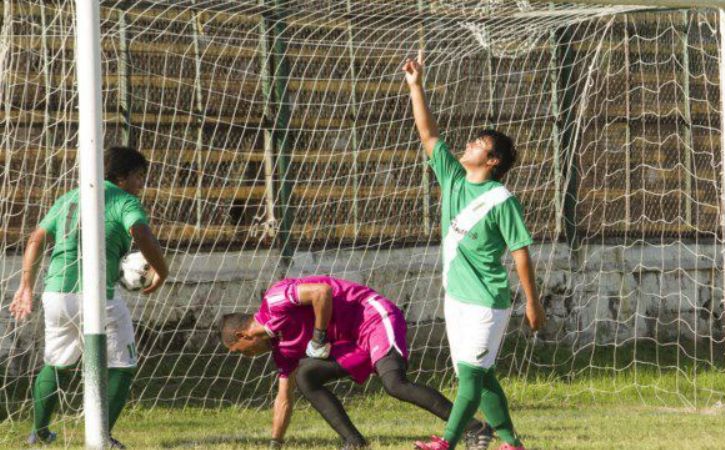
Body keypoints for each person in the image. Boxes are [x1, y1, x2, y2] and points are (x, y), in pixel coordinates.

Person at [403, 51, 546, 450]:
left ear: (492, 160)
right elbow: (428, 135)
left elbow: (521, 254)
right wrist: (416, 86)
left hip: (487, 301)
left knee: (470, 377)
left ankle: (447, 443)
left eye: (478, 144)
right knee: (481, 376)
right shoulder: (452, 178)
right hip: (456, 298)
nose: (468, 144)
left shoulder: (502, 201)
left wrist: (532, 303)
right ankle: (511, 443)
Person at [10, 146, 169, 448]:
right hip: (96, 296)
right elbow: (141, 232)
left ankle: (38, 433)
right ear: (122, 176)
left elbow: (36, 238)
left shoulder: (70, 197)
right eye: (139, 176)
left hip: (56, 294)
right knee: (122, 365)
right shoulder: (123, 200)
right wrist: (162, 270)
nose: (141, 183)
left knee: (56, 363)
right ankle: (102, 437)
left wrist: (26, 286)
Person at [219, 275, 493, 450]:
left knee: (394, 384)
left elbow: (322, 292)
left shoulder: (275, 300)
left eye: (241, 351)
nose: (246, 356)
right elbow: (283, 398)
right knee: (305, 377)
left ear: (243, 336)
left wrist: (318, 337)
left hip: (372, 317)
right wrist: (275, 443)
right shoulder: (281, 350)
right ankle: (354, 442)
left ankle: (476, 428)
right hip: (353, 341)